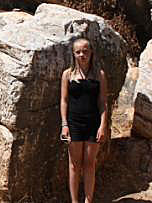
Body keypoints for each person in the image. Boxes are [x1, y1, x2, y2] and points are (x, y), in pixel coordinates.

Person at [60, 38, 108, 203]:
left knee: (90, 164)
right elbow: (64, 101)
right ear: (73, 54)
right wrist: (64, 125)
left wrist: (103, 126)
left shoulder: (99, 75)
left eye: (85, 51)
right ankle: (74, 201)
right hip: (74, 123)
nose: (82, 55)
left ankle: (88, 201)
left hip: (93, 123)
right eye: (78, 52)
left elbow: (102, 102)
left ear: (91, 52)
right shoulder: (67, 74)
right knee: (74, 164)